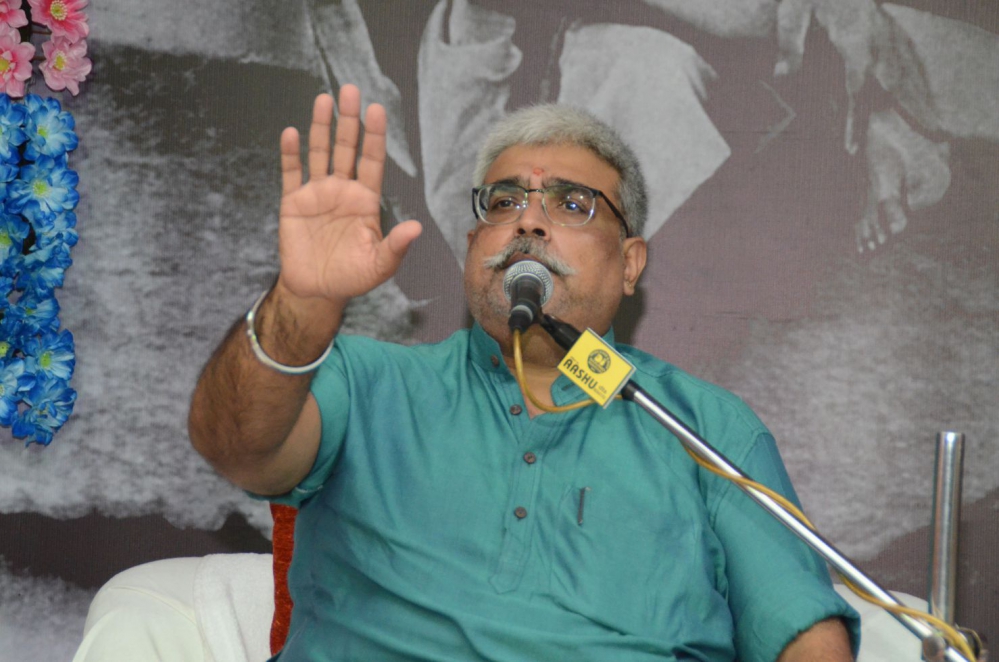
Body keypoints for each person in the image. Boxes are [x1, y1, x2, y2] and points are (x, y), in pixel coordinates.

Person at [188, 84, 860, 661]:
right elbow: (237, 447)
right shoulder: (364, 381)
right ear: (472, 244)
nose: (529, 221)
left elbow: (805, 635)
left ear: (629, 264)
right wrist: (302, 304)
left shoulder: (705, 429)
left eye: (572, 205)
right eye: (504, 202)